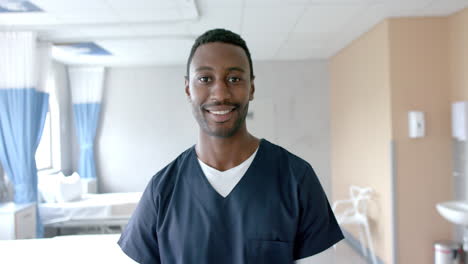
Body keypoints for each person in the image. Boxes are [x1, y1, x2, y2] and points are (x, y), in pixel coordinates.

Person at [118, 28, 343, 264]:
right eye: (205, 79)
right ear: (188, 89)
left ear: (251, 88)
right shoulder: (162, 190)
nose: (220, 93)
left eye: (234, 79)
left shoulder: (296, 178)